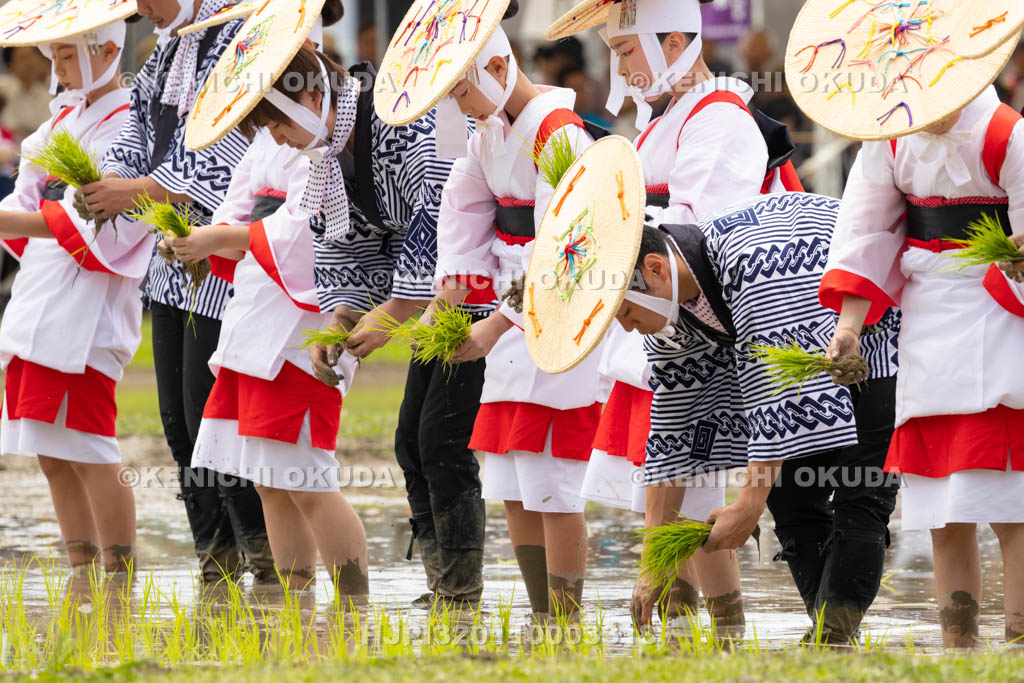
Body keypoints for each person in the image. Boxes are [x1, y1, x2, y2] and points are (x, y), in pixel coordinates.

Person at [545, 0, 801, 632]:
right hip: (657, 320)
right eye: (616, 49)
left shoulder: (719, 120)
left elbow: (698, 237)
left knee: (695, 492)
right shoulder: (664, 121)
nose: (619, 64)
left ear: (678, 40)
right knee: (670, 491)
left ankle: (720, 632)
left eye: (628, 48)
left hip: (701, 325)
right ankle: (695, 634)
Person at [798, 4, 1024, 647]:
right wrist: (849, 328)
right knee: (941, 511)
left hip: (1001, 316)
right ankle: (959, 649)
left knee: (1012, 509)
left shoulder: (1008, 133)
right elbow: (866, 233)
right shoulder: (891, 138)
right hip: (926, 322)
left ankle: (1019, 642)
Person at [378, 0, 603, 619]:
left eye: (461, 91)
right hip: (506, 313)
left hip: (555, 311)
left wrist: (498, 322)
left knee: (553, 476)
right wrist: (445, 301)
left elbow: (566, 246)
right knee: (510, 474)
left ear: (498, 65)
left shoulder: (560, 132)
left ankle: (564, 618)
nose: (458, 108)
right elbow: (463, 217)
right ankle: (543, 615)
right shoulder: (489, 133)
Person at [168, 1, 376, 595]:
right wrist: (204, 240)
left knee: (305, 474)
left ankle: (356, 602)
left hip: (303, 321)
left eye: (274, 120)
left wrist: (221, 238)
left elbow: (303, 236)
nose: (272, 134)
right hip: (256, 316)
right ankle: (296, 595)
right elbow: (239, 209)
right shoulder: (271, 141)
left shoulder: (329, 145)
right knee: (268, 475)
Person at [76, 0, 271, 586]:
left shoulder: (238, 37)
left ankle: (262, 555)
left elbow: (229, 152)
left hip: (220, 246)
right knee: (177, 422)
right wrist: (108, 179)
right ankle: (214, 561)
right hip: (168, 253)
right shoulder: (165, 47)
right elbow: (137, 133)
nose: (142, 9)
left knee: (209, 414)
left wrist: (135, 188)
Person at [301, 44, 483, 608]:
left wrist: (394, 312)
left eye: (274, 123)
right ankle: (442, 581)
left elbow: (438, 211)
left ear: (311, 98)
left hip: (474, 277)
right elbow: (352, 240)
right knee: (411, 442)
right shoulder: (332, 152)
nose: (276, 139)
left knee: (441, 442)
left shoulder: (396, 117)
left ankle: (461, 591)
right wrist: (343, 316)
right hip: (434, 294)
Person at [0, 13, 147, 573]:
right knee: (50, 453)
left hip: (89, 304)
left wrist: (23, 216)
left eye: (66, 55)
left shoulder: (129, 124)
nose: (57, 66)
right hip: (42, 293)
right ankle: (80, 565)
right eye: (56, 56)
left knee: (88, 447)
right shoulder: (63, 115)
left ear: (108, 49)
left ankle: (120, 567)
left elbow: (101, 223)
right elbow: (27, 193)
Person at [0, 45, 52, 142]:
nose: (30, 63)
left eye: (32, 56)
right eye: (23, 58)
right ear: (10, 65)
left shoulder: (48, 93)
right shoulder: (5, 91)